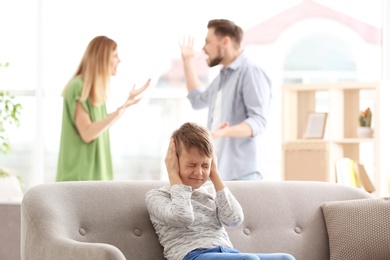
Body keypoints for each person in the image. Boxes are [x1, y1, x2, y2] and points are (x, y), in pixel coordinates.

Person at [145, 122, 295, 260]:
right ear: (174, 162)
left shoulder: (211, 192)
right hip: (191, 256)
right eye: (191, 165)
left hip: (226, 252)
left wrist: (215, 174)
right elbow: (183, 217)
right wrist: (173, 174)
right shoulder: (157, 196)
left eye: (205, 166)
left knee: (286, 259)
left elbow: (234, 219)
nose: (199, 172)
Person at [179, 19, 272, 181]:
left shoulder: (250, 72)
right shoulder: (223, 77)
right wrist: (187, 62)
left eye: (208, 42)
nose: (203, 48)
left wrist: (223, 132)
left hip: (244, 174)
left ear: (225, 41)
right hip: (221, 173)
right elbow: (197, 100)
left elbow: (258, 121)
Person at [56, 36, 150, 181]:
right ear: (102, 58)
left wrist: (124, 106)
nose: (119, 60)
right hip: (79, 178)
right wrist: (120, 110)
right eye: (115, 55)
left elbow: (98, 125)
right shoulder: (78, 86)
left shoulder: (94, 90)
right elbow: (87, 133)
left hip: (95, 177)